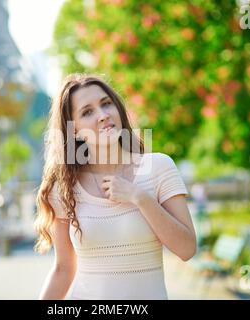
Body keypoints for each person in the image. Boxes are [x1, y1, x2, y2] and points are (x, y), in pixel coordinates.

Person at [34, 74, 196, 300]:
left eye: (106, 103)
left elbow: (187, 249)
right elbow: (63, 269)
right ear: (73, 130)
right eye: (87, 112)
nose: (103, 115)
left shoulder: (158, 167)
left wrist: (139, 197)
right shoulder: (64, 188)